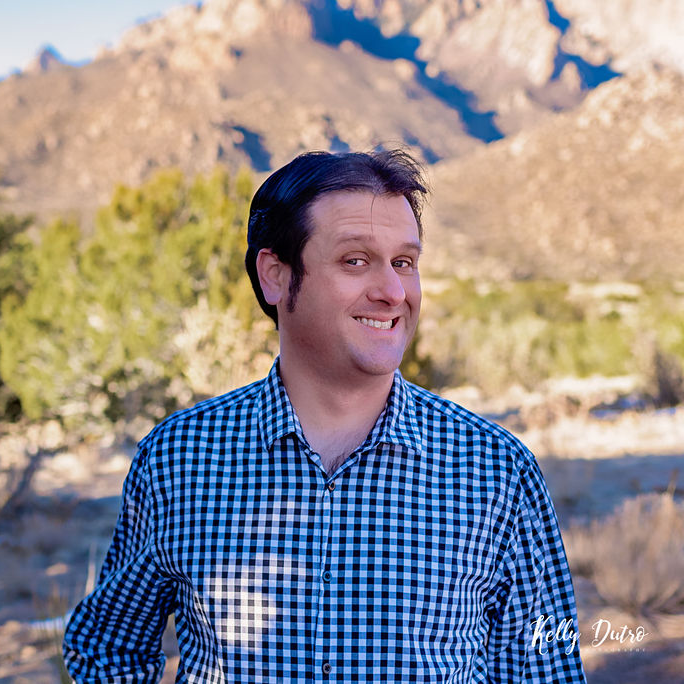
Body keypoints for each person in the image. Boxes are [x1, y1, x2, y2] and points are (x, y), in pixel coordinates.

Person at [63, 149, 587, 682]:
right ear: (274, 275)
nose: (392, 292)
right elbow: (107, 649)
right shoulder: (178, 459)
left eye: (404, 262)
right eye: (356, 260)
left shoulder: (497, 470)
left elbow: (547, 671)